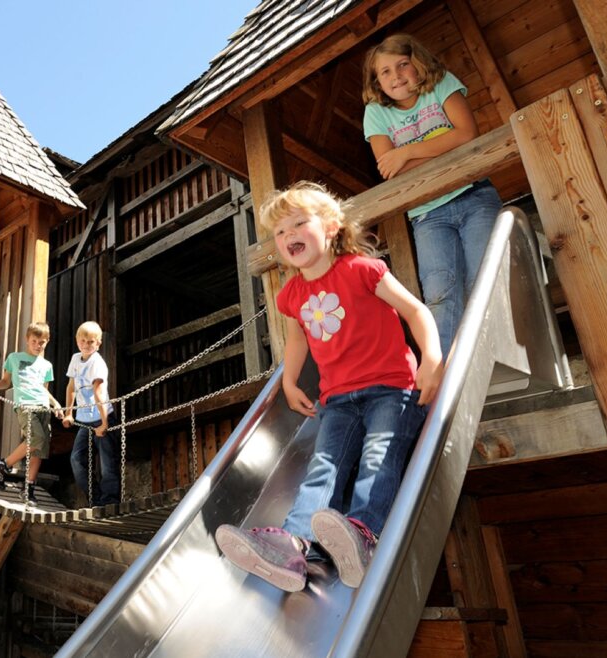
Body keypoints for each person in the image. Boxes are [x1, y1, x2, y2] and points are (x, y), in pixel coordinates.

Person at [215, 182, 442, 592]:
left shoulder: (362, 269)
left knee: (379, 457)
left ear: (332, 226)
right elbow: (299, 338)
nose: (288, 236)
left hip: (392, 389)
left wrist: (431, 359)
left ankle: (363, 535)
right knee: (323, 469)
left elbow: (414, 310)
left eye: (299, 223)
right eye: (280, 232)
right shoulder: (292, 294)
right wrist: (287, 380)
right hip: (337, 400)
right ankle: (295, 547)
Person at [362, 33, 503, 357]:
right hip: (427, 214)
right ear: (376, 81)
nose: (395, 76)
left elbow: (467, 133)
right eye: (384, 71)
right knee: (439, 291)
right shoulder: (376, 113)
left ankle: (495, 354)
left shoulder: (440, 84)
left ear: (418, 64)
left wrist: (408, 151)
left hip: (474, 194)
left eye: (402, 65)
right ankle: (445, 370)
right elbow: (392, 170)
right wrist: (446, 147)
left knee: (485, 274)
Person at [0, 321, 61, 506]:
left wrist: (55, 404)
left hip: (43, 408)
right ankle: (2, 464)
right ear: (27, 339)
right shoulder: (14, 358)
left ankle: (28, 488)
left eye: (42, 342)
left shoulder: (47, 365)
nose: (38, 345)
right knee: (36, 438)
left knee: (39, 449)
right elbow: (6, 382)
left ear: (47, 342)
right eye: (34, 341)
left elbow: (44, 390)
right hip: (25, 405)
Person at [62, 321, 118, 507]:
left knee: (107, 463)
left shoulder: (97, 363)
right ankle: (95, 498)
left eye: (91, 342)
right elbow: (71, 387)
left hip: (102, 417)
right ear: (77, 340)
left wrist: (104, 423)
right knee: (77, 459)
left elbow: (99, 393)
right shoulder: (76, 359)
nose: (86, 345)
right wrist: (69, 413)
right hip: (84, 420)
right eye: (83, 340)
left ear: (98, 343)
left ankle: (109, 502)